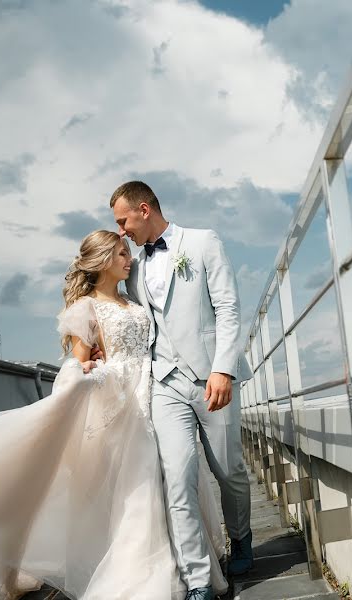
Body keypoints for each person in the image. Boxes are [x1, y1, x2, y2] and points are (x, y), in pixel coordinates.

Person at [0, 230, 229, 599]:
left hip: (156, 391)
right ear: (104, 260)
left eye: (128, 252)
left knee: (174, 477)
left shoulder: (132, 299)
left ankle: (190, 560)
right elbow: (79, 363)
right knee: (141, 487)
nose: (130, 259)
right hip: (123, 400)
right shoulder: (86, 308)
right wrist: (91, 374)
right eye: (122, 253)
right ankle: (145, 572)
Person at [110, 181, 254, 600]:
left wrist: (223, 370)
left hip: (212, 379)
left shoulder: (203, 242)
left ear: (143, 208)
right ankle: (197, 580)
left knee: (228, 470)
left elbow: (228, 307)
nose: (122, 230)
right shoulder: (134, 268)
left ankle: (241, 537)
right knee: (177, 478)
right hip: (164, 384)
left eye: (123, 220)